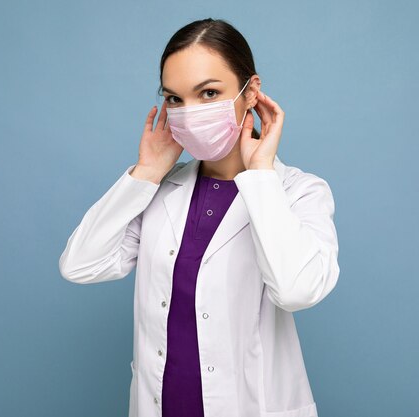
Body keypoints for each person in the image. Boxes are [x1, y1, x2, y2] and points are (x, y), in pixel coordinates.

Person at [59, 17, 340, 417]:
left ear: (251, 92)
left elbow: (297, 291)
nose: (189, 113)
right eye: (175, 99)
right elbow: (80, 264)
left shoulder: (298, 192)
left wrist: (259, 176)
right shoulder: (159, 191)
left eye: (208, 93)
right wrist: (146, 173)